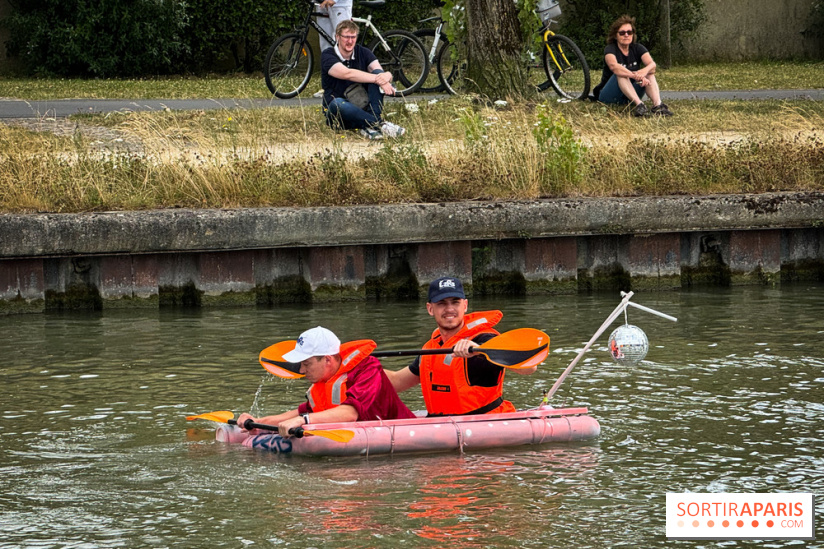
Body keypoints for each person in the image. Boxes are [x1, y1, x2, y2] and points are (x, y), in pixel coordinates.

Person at [384, 277, 537, 416]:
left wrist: (479, 351)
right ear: (430, 309)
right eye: (441, 303)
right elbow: (396, 381)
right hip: (441, 429)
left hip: (484, 427)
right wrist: (363, 366)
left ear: (465, 305)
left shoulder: (486, 339)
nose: (449, 309)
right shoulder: (431, 349)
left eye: (455, 302)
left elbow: (529, 368)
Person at [237, 326, 415, 437]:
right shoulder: (324, 379)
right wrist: (260, 422)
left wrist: (303, 420)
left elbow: (350, 413)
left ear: (328, 360)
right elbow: (304, 410)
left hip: (402, 432)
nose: (301, 370)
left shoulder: (368, 368)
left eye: (306, 364)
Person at [321, 20, 406, 140]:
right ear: (337, 37)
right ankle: (379, 124)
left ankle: (368, 126)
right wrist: (379, 78)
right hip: (340, 114)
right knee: (338, 103)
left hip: (363, 107)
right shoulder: (328, 55)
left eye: (353, 37)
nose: (350, 41)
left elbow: (379, 72)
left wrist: (387, 75)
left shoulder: (363, 52)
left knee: (377, 74)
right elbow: (347, 74)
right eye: (346, 37)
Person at [591, 15, 673, 117]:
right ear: (615, 36)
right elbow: (614, 66)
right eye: (622, 33)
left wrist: (643, 72)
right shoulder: (610, 49)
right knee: (621, 73)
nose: (626, 35)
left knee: (649, 73)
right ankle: (639, 105)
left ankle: (657, 106)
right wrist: (635, 76)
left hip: (629, 95)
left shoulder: (638, 48)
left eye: (629, 32)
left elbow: (652, 65)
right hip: (609, 95)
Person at [312, 0, 353, 97]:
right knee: (326, 47)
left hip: (340, 5)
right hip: (322, 5)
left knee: (345, 43)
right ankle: (328, 87)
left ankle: (349, 86)